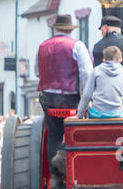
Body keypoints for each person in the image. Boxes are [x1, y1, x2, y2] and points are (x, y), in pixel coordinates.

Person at [35, 14, 93, 177]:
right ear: (70, 29)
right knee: (77, 131)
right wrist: (85, 98)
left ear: (56, 28)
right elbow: (86, 74)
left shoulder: (43, 46)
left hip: (48, 99)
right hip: (70, 99)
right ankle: (74, 167)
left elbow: (36, 72)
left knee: (54, 133)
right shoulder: (77, 46)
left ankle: (55, 171)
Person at [77, 47, 123, 121]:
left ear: (104, 60)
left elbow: (86, 95)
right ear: (120, 60)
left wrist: (79, 115)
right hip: (116, 114)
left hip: (97, 115)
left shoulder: (96, 71)